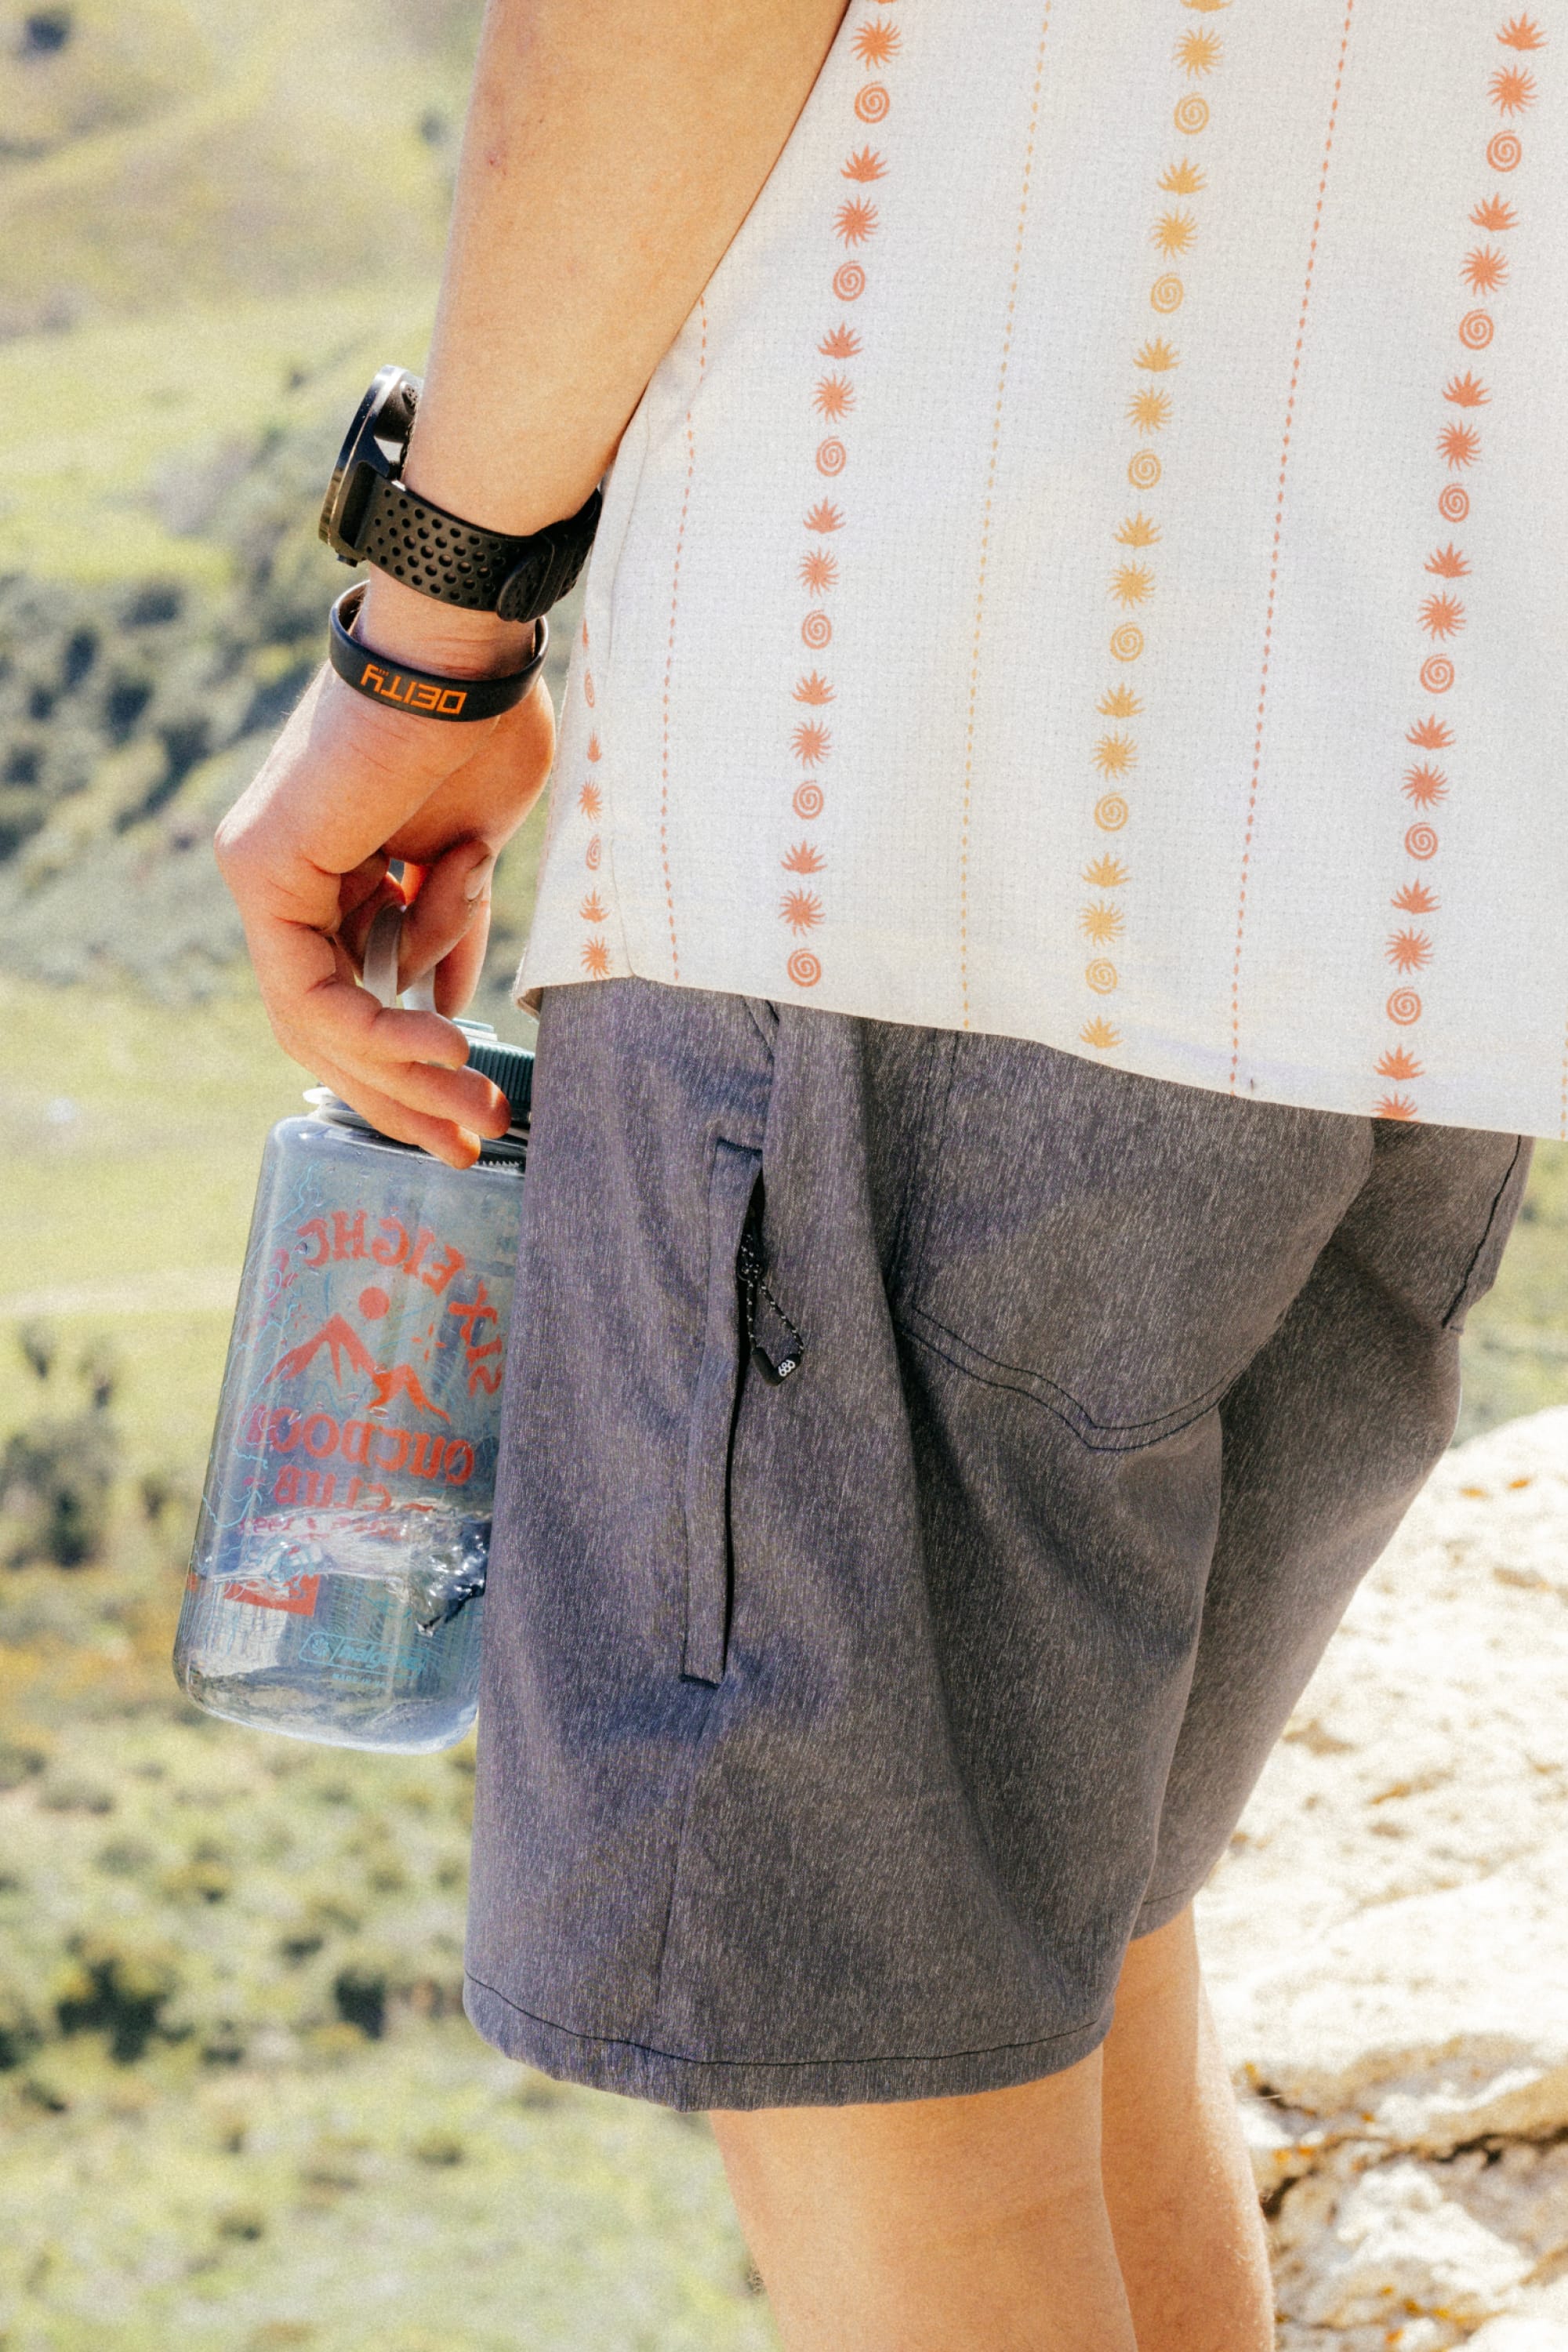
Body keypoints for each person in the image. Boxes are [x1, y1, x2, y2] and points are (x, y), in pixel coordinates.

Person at [215, 2, 1560, 2342]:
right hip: (1431, 847)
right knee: (1065, 1949)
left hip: (924, 797)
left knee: (895, 2131)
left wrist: (431, 639)